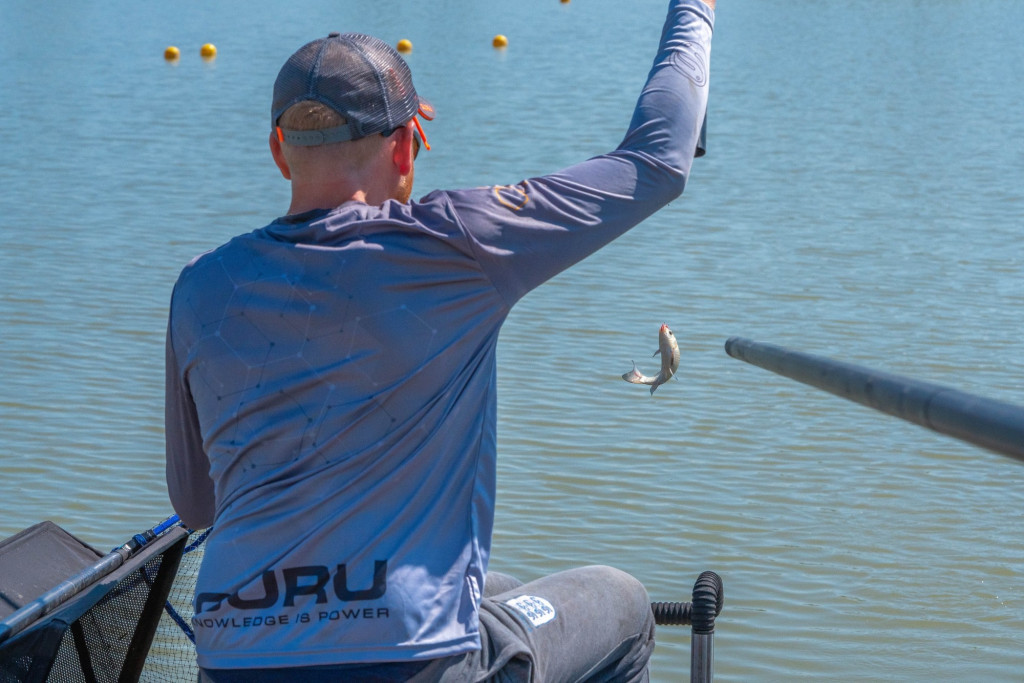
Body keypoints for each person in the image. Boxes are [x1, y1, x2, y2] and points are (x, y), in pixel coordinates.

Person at [165, 0, 715, 680]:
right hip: (412, 660)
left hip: (234, 660)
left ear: (279, 151)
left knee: (501, 588)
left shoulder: (200, 287)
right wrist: (695, 9)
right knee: (621, 600)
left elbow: (197, 505)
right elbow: (658, 159)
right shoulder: (454, 245)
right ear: (404, 147)